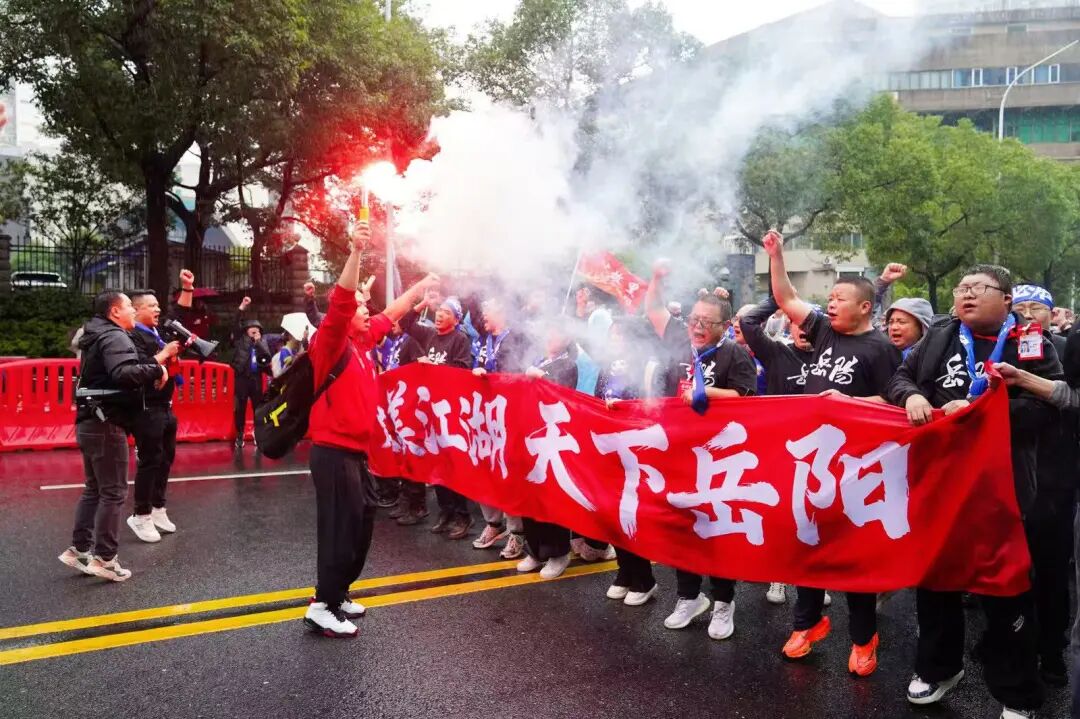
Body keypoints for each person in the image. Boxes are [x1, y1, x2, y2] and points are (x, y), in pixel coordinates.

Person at [886, 265, 1062, 719]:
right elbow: (900, 377)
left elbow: (1046, 412)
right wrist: (911, 397)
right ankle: (939, 668)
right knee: (935, 580)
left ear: (1006, 300)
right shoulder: (940, 335)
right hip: (938, 480)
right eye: (961, 288)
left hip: (999, 486)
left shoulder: (1031, 342)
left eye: (978, 288)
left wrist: (982, 412)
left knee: (1003, 590)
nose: (966, 295)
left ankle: (1017, 692)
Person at [765, 230, 900, 677]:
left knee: (851, 557)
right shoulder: (822, 330)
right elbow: (786, 298)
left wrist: (850, 403)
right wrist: (777, 254)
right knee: (807, 545)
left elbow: (897, 402)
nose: (831, 302)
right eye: (830, 297)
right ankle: (806, 624)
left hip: (856, 469)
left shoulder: (882, 348)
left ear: (865, 307)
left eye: (840, 298)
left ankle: (863, 639)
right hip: (811, 464)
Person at [303, 221, 438, 637]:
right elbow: (342, 299)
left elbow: (391, 313)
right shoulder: (330, 343)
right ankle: (323, 605)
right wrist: (356, 252)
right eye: (361, 308)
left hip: (357, 455)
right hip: (332, 453)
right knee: (338, 530)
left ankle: (339, 592)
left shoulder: (362, 343)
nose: (367, 311)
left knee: (360, 527)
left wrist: (420, 287)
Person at [645, 260, 758, 641]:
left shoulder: (735, 355)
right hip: (680, 452)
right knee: (683, 526)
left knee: (716, 531)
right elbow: (653, 309)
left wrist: (707, 393)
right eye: (694, 319)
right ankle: (689, 597)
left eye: (707, 322)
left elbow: (746, 399)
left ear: (724, 327)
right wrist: (657, 277)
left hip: (718, 458)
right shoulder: (680, 342)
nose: (697, 327)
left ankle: (724, 602)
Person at [58, 291, 180, 582]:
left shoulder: (95, 335)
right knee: (113, 492)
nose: (133, 312)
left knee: (94, 489)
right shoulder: (114, 336)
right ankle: (106, 559)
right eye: (128, 307)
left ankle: (79, 551)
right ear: (115, 311)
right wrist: (157, 368)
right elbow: (123, 373)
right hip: (106, 422)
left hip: (90, 420)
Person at [1011, 284, 1075, 687]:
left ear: (1053, 314)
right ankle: (1011, 640)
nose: (1028, 314)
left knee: (1051, 569)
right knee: (1012, 565)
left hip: (1056, 473)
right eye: (1020, 307)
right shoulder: (1002, 348)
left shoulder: (1066, 349)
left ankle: (1052, 650)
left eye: (1037, 307)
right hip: (1014, 469)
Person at [738, 293, 818, 607]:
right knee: (782, 513)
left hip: (820, 452)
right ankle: (779, 574)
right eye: (796, 321)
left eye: (809, 323)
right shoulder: (776, 353)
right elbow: (748, 322)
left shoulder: (833, 356)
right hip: (782, 450)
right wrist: (778, 297)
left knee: (816, 513)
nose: (803, 328)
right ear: (788, 325)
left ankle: (814, 579)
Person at [596, 317, 661, 606]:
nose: (614, 339)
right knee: (612, 512)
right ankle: (624, 570)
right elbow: (596, 398)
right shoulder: (606, 364)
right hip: (609, 447)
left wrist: (627, 409)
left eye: (620, 334)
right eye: (612, 334)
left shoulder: (648, 365)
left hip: (636, 450)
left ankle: (644, 578)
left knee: (631, 513)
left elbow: (655, 405)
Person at [123, 274, 193, 543]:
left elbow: (179, 314)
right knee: (150, 460)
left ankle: (158, 508)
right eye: (151, 306)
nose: (157, 309)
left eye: (157, 305)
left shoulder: (158, 332)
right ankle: (140, 514)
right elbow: (139, 367)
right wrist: (165, 354)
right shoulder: (131, 336)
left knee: (166, 458)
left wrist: (187, 287)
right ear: (136, 309)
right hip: (146, 407)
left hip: (165, 405)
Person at [400, 293, 476, 539]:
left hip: (450, 411)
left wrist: (433, 368)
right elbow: (405, 324)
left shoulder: (460, 339)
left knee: (453, 464)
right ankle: (445, 511)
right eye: (439, 310)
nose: (440, 315)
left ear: (456, 319)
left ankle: (463, 516)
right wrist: (422, 304)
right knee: (436, 463)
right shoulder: (429, 334)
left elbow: (463, 369)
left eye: (446, 312)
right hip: (429, 410)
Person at [516, 324, 581, 580]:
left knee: (551, 499)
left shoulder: (568, 364)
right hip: (531, 434)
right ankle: (535, 550)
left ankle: (558, 553)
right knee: (528, 495)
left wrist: (540, 377)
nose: (550, 337)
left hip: (552, 438)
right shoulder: (538, 359)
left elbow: (561, 393)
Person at [470, 295, 532, 558]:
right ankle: (493, 523)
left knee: (508, 474)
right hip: (484, 417)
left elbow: (518, 378)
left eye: (489, 310)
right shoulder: (485, 339)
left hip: (508, 417)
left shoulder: (516, 339)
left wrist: (491, 379)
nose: (484, 315)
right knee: (484, 471)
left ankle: (516, 531)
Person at [376, 319, 428, 527]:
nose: (393, 325)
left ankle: (418, 505)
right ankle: (405, 500)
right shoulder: (397, 342)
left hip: (410, 406)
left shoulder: (411, 341)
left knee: (413, 455)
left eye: (397, 321)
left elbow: (418, 369)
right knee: (402, 457)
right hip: (397, 407)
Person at [230, 296, 272, 450]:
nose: (255, 330)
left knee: (257, 409)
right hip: (242, 378)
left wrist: (258, 342)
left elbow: (266, 357)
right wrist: (242, 306)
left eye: (258, 329)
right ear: (246, 330)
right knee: (240, 408)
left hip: (256, 379)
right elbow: (235, 323)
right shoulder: (240, 340)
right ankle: (240, 434)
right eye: (252, 328)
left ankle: (257, 434)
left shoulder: (262, 342)